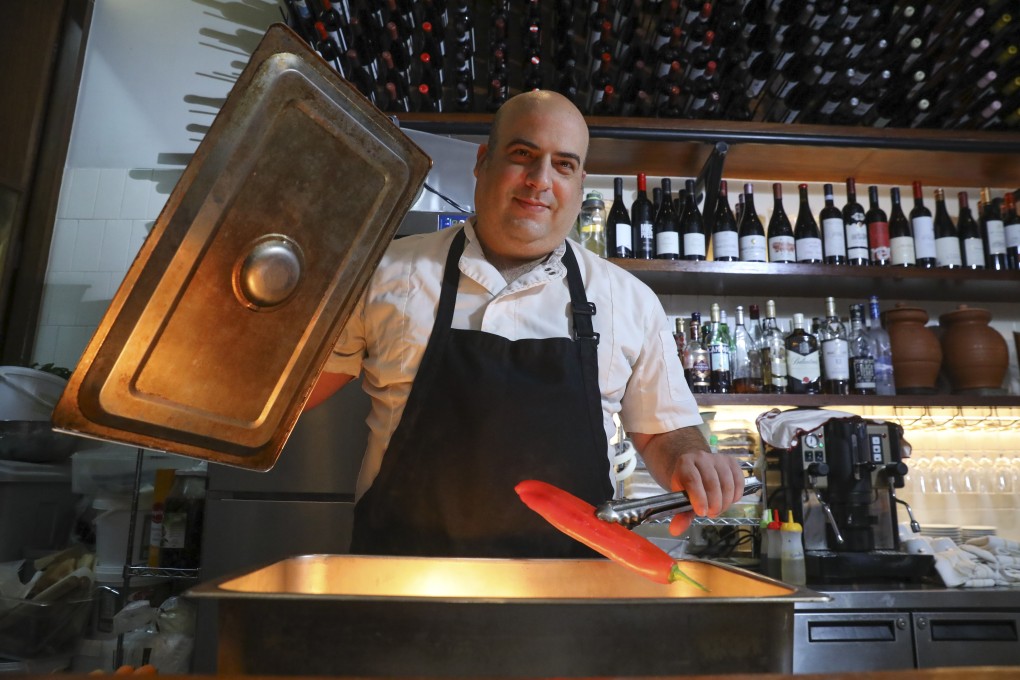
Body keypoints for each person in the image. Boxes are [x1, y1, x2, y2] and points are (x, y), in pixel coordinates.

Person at [306, 89, 743, 557]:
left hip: (568, 590)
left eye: (564, 164)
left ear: (580, 182)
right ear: (483, 162)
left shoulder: (629, 300)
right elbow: (290, 394)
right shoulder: (385, 272)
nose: (540, 180)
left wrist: (690, 460)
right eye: (522, 154)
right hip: (399, 579)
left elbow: (661, 431)